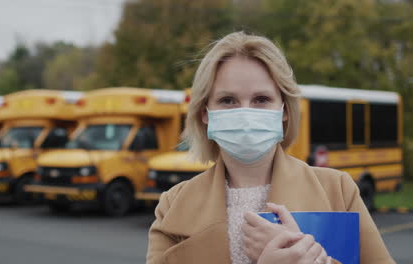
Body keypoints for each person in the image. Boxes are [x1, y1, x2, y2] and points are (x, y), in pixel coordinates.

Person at [146, 32, 394, 264]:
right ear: (204, 113)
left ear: (284, 110)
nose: (245, 113)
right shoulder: (172, 205)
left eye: (261, 99)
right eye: (228, 100)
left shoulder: (338, 190)